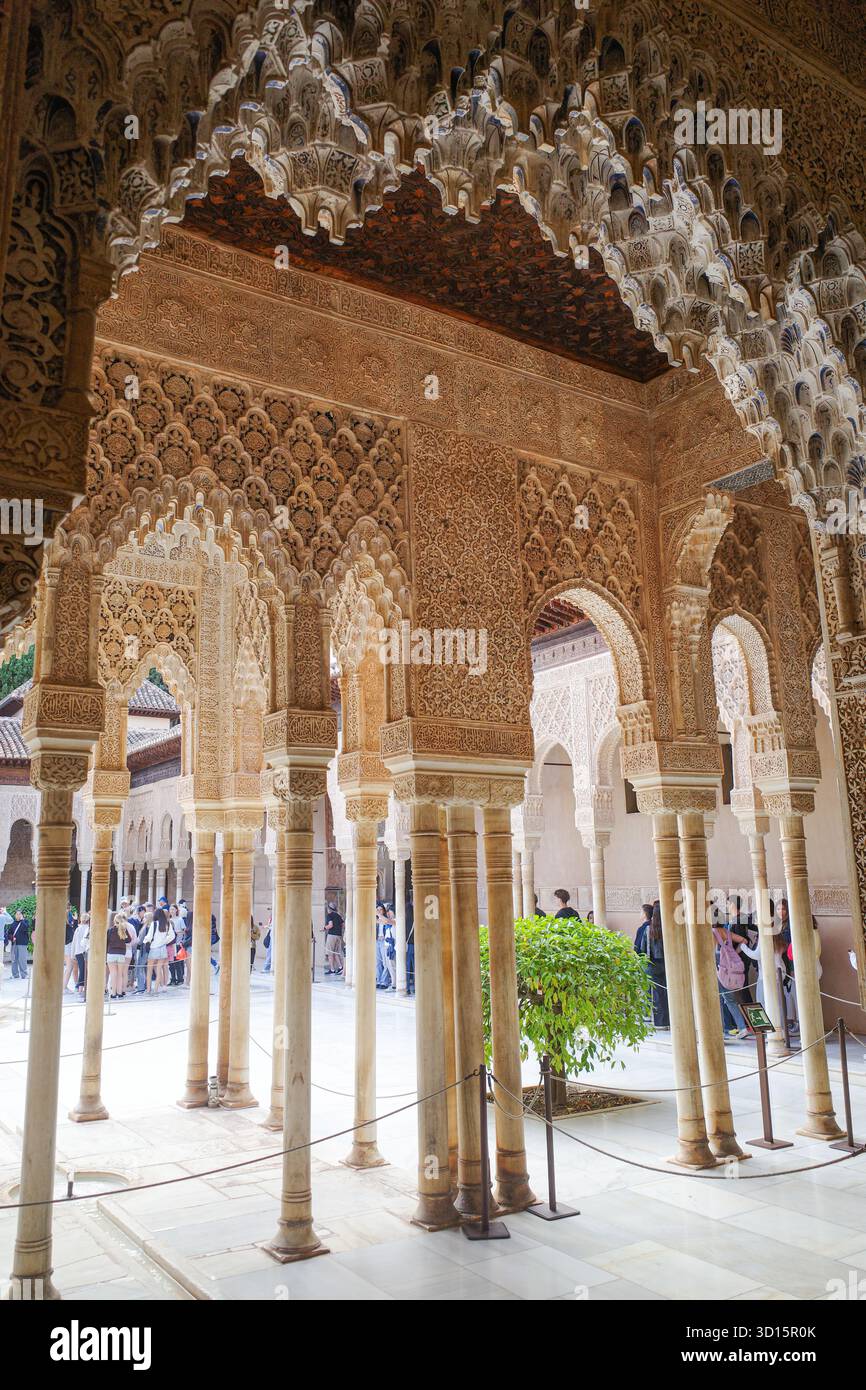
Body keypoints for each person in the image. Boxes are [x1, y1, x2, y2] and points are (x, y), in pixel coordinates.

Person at [144, 907, 173, 993]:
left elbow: (149, 937)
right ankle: (156, 989)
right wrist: (164, 941)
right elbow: (172, 936)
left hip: (154, 948)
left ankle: (148, 990)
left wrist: (145, 941)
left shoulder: (154, 924)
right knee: (159, 970)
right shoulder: (167, 924)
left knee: (149, 971)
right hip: (163, 948)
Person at [106, 912, 131, 999]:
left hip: (111, 953)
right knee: (120, 974)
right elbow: (129, 940)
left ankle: (113, 993)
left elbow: (106, 942)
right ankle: (119, 993)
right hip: (121, 954)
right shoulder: (124, 930)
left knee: (113, 974)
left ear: (114, 921)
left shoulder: (110, 930)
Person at [324, 901, 345, 976]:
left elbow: (330, 925)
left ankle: (332, 969)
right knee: (336, 952)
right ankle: (340, 967)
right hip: (338, 935)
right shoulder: (338, 916)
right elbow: (343, 925)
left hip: (332, 935)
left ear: (329, 908)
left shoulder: (329, 915)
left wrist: (324, 928)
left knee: (330, 953)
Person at [72, 912, 90, 997]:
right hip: (85, 952)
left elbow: (74, 942)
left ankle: (79, 987)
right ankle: (80, 988)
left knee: (82, 970)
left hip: (78, 952)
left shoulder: (78, 929)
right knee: (85, 970)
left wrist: (73, 954)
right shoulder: (88, 929)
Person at [10, 909, 30, 980]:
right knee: (14, 959)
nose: (18, 915)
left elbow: (25, 928)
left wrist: (22, 920)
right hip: (14, 944)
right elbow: (9, 933)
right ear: (15, 915)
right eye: (17, 914)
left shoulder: (25, 922)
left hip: (22, 944)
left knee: (22, 959)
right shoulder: (13, 923)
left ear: (22, 915)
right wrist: (12, 938)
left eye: (19, 914)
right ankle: (15, 974)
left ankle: (24, 975)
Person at [375, 903, 391, 988]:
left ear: (384, 911)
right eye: (377, 910)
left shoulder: (386, 919)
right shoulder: (376, 920)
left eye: (380, 909)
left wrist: (379, 915)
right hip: (377, 941)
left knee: (385, 963)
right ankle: (379, 980)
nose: (379, 911)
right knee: (378, 962)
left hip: (384, 942)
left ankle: (384, 982)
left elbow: (386, 922)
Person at [63, 908, 78, 992]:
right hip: (68, 946)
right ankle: (64, 987)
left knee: (69, 967)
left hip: (65, 946)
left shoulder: (65, 925)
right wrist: (75, 921)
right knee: (69, 967)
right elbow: (73, 934)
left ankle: (64, 986)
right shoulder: (67, 926)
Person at [405, 894, 415, 995]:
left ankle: (406, 987)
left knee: (407, 966)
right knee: (415, 966)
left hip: (408, 944)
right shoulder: (413, 912)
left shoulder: (407, 910)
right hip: (414, 943)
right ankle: (415, 987)